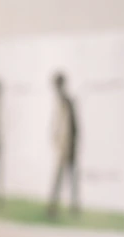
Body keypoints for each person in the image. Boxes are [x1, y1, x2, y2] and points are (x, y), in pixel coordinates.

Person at [47, 72, 79, 218]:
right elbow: (56, 126)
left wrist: (71, 144)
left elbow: (73, 126)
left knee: (70, 177)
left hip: (69, 145)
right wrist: (55, 141)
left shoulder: (68, 102)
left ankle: (72, 207)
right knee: (59, 177)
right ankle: (53, 207)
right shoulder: (58, 102)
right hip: (61, 146)